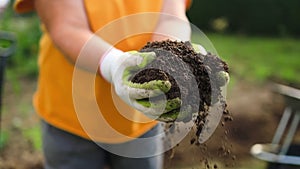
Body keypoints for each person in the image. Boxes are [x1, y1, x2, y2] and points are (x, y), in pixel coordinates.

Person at [13, 0, 193, 168]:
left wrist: (166, 58)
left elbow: (171, 18)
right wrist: (114, 65)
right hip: (73, 113)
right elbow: (67, 25)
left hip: (139, 116)